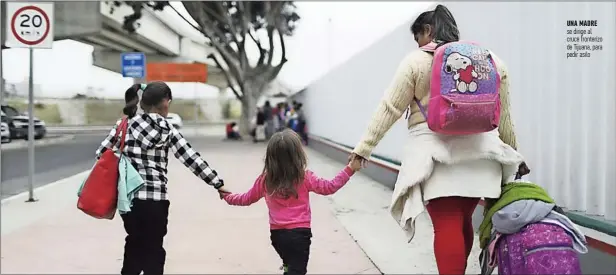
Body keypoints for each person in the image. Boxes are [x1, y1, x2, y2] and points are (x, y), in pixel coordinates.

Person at [347, 5, 528, 275]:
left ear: (428, 31)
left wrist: (364, 149)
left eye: (417, 36)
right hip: (484, 156)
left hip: (438, 157)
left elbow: (390, 108)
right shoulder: (491, 60)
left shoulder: (416, 61)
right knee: (463, 219)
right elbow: (505, 118)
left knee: (446, 224)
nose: (417, 44)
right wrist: (513, 155)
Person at [95, 82, 229, 275]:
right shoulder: (167, 129)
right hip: (157, 200)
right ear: (165, 103)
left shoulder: (124, 125)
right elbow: (191, 158)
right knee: (154, 247)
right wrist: (217, 183)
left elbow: (101, 154)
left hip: (129, 200)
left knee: (134, 242)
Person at [218, 129, 363, 275]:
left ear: (270, 157)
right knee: (298, 270)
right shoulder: (305, 177)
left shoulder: (265, 180)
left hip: (277, 236)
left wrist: (226, 195)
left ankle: (288, 268)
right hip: (300, 235)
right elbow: (329, 187)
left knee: (291, 265)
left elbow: (245, 199)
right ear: (298, 155)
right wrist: (350, 169)